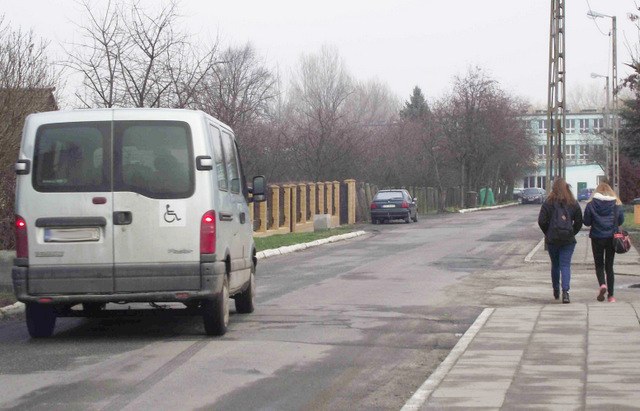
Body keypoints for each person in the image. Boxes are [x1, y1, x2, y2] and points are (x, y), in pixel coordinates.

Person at [538, 178, 583, 303]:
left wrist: (548, 232)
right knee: (565, 265)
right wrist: (572, 232)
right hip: (568, 240)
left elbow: (541, 221)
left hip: (553, 240)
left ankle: (556, 289)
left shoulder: (548, 202)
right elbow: (579, 221)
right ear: (567, 188)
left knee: (555, 265)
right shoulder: (573, 202)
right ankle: (566, 292)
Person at [583, 182, 624, 303]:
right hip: (612, 238)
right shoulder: (616, 204)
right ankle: (611, 296)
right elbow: (621, 220)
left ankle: (602, 285)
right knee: (609, 266)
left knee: (599, 264)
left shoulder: (591, 204)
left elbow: (587, 221)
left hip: (597, 237)